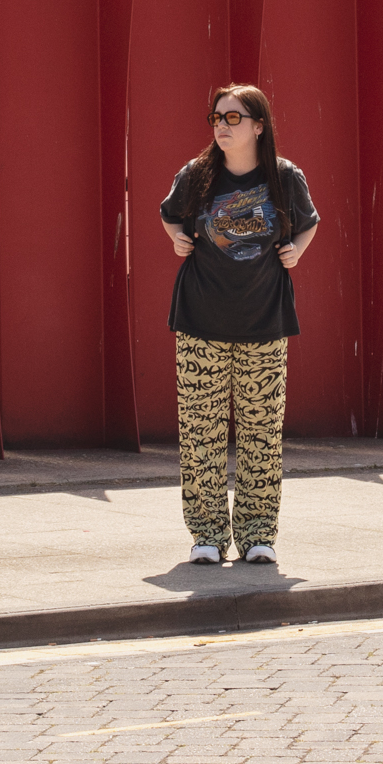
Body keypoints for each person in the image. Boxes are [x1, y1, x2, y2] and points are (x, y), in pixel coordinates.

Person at [157, 82, 319, 568]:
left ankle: (257, 536)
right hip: (201, 321)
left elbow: (310, 222)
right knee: (200, 434)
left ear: (258, 126)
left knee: (261, 435)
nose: (221, 127)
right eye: (216, 117)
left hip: (264, 322)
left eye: (232, 118)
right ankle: (206, 535)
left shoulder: (285, 178)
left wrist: (297, 250)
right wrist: (177, 240)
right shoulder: (198, 174)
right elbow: (168, 215)